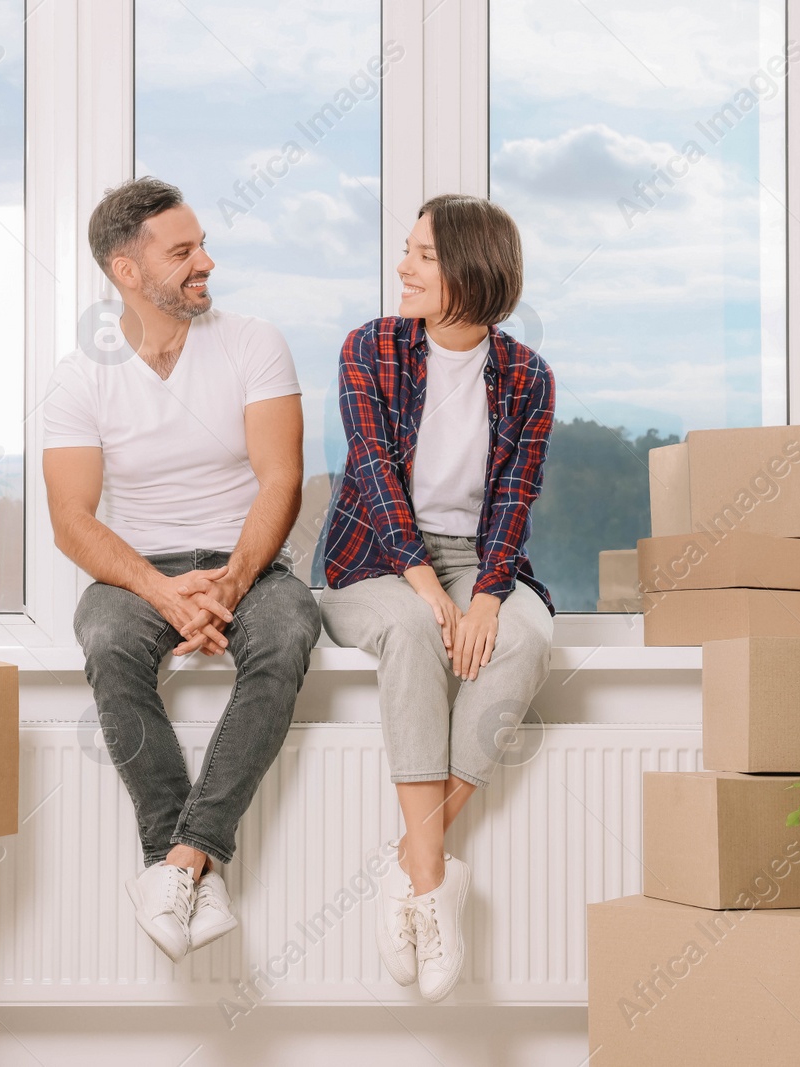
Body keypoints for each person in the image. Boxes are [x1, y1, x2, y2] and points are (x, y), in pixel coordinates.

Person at [41, 177, 321, 962]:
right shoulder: (78, 375)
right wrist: (165, 592)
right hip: (140, 574)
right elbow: (73, 520)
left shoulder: (253, 342)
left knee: (290, 629)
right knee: (106, 642)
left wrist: (231, 583)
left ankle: (183, 859)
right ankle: (184, 857)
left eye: (202, 244)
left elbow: (280, 480)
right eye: (184, 251)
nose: (207, 261)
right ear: (127, 272)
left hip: (248, 563)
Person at [319, 194, 555, 1001]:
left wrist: (490, 595)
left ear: (471, 270)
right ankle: (434, 888)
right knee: (417, 632)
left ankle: (412, 868)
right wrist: (425, 582)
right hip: (376, 557)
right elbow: (377, 474)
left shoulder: (527, 375)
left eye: (423, 255)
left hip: (479, 559)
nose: (404, 267)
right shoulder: (371, 347)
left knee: (525, 638)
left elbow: (516, 495)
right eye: (408, 250)